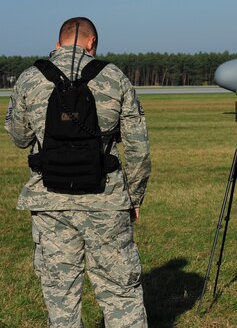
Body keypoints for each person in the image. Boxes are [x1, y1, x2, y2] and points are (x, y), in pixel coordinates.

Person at [4, 17, 151, 327]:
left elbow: (19, 138)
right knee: (120, 293)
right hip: (106, 202)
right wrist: (134, 197)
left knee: (61, 296)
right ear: (91, 43)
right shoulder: (114, 78)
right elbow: (138, 148)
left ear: (58, 42)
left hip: (51, 203)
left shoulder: (30, 79)